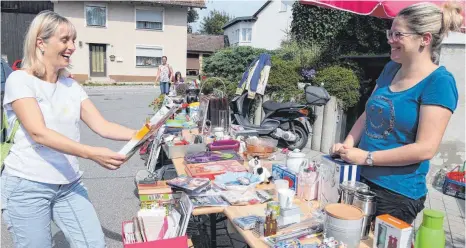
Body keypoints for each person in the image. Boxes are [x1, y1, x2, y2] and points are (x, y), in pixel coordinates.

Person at [1, 11, 137, 247]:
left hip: (69, 184)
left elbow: (102, 125)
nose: (72, 47)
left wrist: (145, 133)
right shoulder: (20, 80)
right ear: (40, 43)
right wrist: (91, 153)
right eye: (65, 40)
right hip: (27, 186)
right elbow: (38, 132)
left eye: (73, 40)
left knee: (93, 244)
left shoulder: (71, 85)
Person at [331, 2, 463, 224]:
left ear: (425, 39)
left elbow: (425, 149)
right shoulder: (391, 68)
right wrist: (348, 145)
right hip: (358, 177)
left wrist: (367, 157)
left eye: (398, 34)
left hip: (396, 194)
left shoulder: (439, 82)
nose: (390, 39)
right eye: (389, 33)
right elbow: (367, 113)